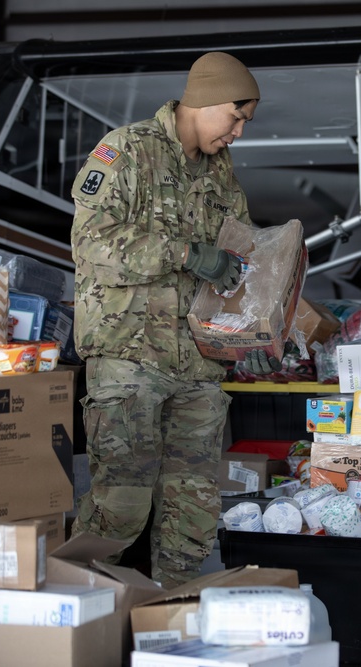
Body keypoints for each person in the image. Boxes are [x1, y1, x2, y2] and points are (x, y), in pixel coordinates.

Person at [70, 51, 277, 588]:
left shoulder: (220, 174)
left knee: (194, 511)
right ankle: (83, 615)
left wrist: (267, 310)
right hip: (130, 357)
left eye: (244, 123)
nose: (238, 132)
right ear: (205, 100)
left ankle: (174, 616)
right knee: (120, 503)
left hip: (199, 363)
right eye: (235, 117)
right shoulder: (127, 150)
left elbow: (241, 252)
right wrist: (188, 253)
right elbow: (93, 245)